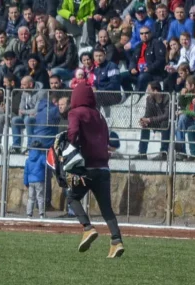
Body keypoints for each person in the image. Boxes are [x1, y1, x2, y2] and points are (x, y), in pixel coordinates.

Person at [66, 83, 124, 258]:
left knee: (72, 197)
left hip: (86, 166)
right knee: (106, 208)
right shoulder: (99, 115)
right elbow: (107, 139)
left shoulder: (75, 113)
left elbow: (73, 133)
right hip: (103, 168)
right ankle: (116, 241)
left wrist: (69, 148)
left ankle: (87, 228)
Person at [132, 81, 170, 161]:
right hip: (155, 122)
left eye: (149, 90)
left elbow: (166, 115)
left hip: (166, 123)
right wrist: (144, 120)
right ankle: (142, 153)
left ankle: (163, 153)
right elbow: (148, 114)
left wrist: (149, 119)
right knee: (145, 126)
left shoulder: (167, 97)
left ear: (155, 91)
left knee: (165, 124)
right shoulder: (149, 99)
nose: (147, 92)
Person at [10, 76, 44, 154]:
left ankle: (30, 147)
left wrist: (24, 112)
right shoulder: (25, 92)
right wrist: (24, 112)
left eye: (23, 85)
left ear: (31, 84)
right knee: (15, 120)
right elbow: (20, 108)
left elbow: (36, 110)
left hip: (39, 117)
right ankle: (16, 146)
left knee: (28, 119)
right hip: (28, 116)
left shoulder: (41, 93)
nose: (21, 87)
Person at [24, 140, 49, 219]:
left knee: (31, 198)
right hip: (39, 180)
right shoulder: (42, 157)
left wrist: (26, 182)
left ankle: (29, 214)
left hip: (31, 181)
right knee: (40, 197)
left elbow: (26, 172)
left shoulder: (28, 159)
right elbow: (47, 165)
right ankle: (41, 214)